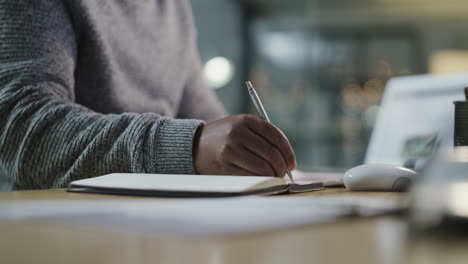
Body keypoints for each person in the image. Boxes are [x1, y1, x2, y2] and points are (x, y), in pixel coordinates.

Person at [0, 0, 296, 190]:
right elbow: (21, 129)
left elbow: (206, 118)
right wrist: (190, 147)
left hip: (157, 228)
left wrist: (249, 152)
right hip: (59, 233)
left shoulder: (172, 8)